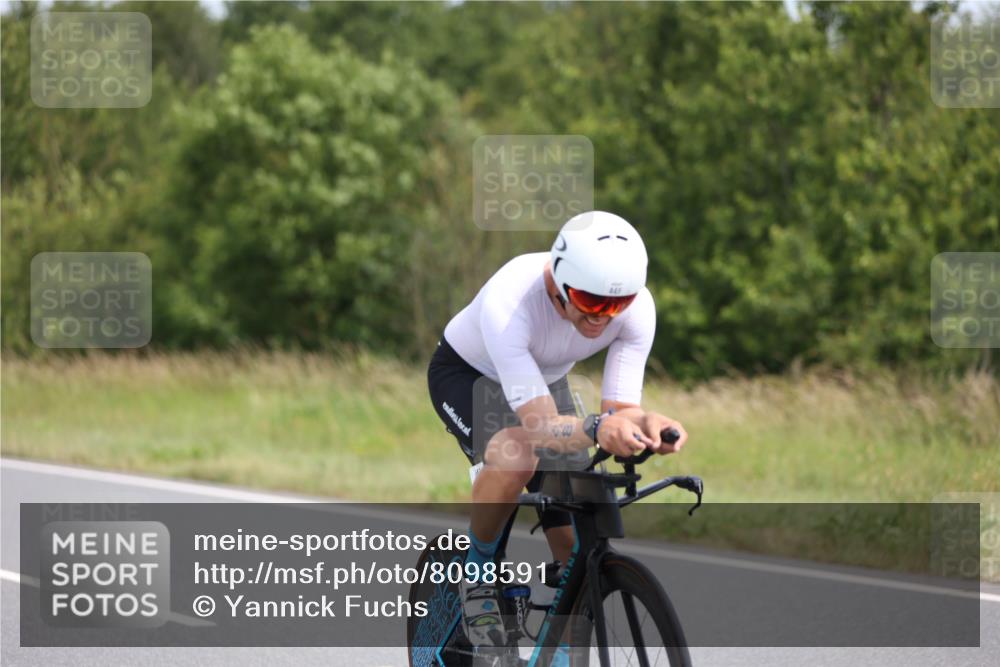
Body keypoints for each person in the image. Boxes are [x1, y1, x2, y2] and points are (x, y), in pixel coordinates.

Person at [427, 210, 689, 649]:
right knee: (517, 458)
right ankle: (477, 572)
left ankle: (563, 649)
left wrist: (648, 424)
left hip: (543, 383)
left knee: (575, 545)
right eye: (590, 302)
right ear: (559, 282)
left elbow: (621, 409)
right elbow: (543, 428)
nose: (603, 317)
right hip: (470, 375)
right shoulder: (513, 299)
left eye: (617, 305)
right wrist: (598, 428)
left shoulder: (636, 307)